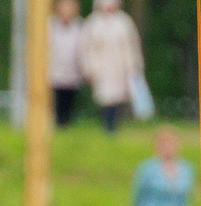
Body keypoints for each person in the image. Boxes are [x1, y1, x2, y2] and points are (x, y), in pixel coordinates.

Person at [78, 0, 145, 134]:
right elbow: (85, 48)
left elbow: (131, 46)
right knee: (104, 96)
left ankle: (114, 124)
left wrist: (134, 66)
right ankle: (106, 124)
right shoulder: (93, 23)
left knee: (117, 96)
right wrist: (88, 68)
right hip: (100, 67)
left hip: (119, 67)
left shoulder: (124, 22)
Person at [47, 0, 85, 129]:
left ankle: (65, 125)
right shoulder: (50, 25)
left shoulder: (79, 26)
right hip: (54, 72)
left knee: (68, 102)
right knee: (55, 101)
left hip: (72, 72)